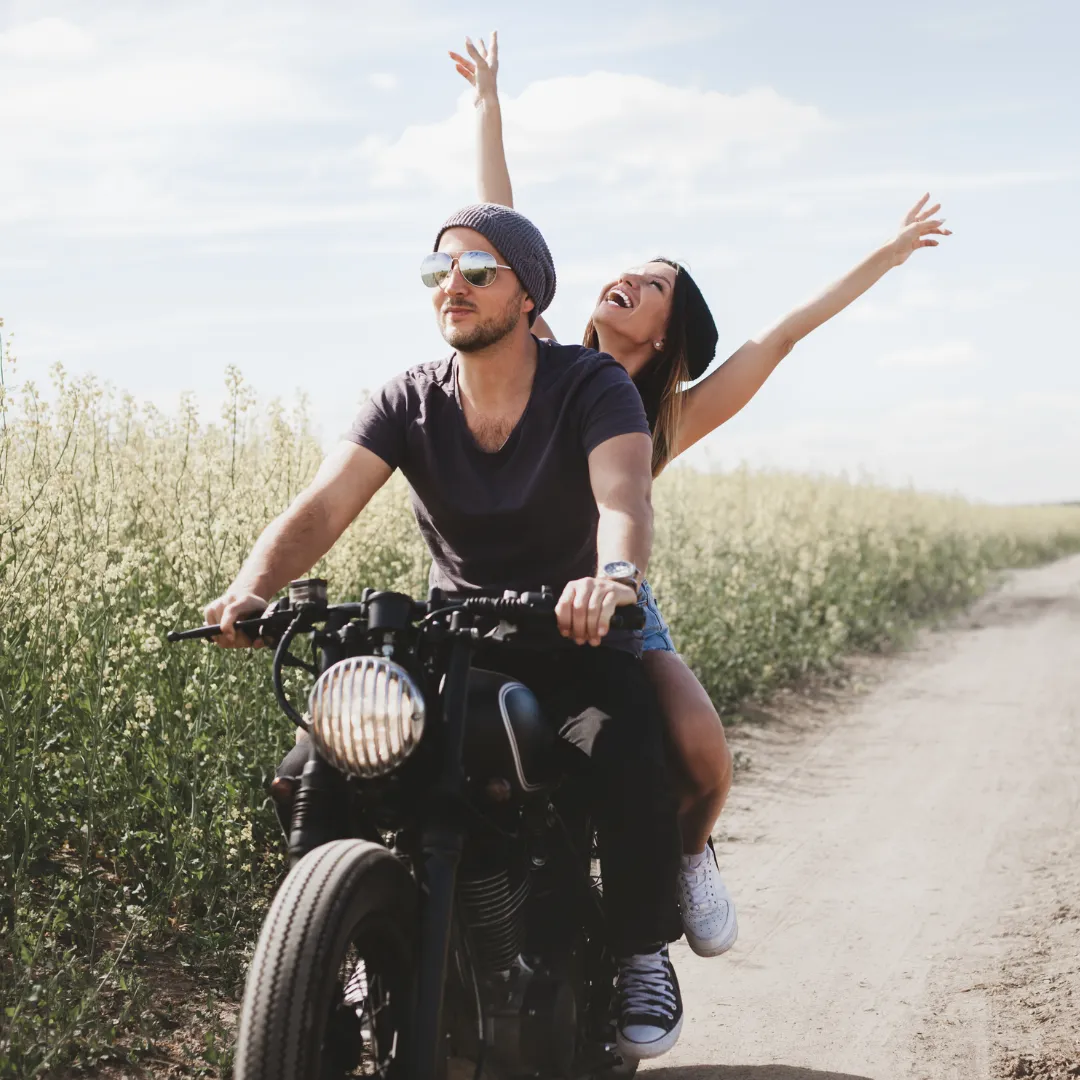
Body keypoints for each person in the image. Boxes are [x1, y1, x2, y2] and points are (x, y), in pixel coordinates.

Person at [449, 32, 953, 959]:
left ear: (665, 335)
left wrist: (886, 256)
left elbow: (780, 337)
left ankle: (686, 858)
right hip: (515, 601)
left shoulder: (667, 414)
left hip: (616, 599)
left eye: (656, 286)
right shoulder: (544, 357)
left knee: (705, 759)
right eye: (635, 267)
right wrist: (488, 104)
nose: (631, 278)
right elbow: (501, 225)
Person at [202, 203, 688, 1060]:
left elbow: (624, 497)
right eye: (438, 272)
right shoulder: (408, 397)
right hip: (457, 638)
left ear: (529, 295)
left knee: (626, 738)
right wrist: (251, 591)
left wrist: (612, 582)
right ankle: (332, 951)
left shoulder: (590, 384)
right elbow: (322, 506)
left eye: (477, 271)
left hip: (567, 635)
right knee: (318, 761)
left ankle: (641, 948)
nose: (452, 287)